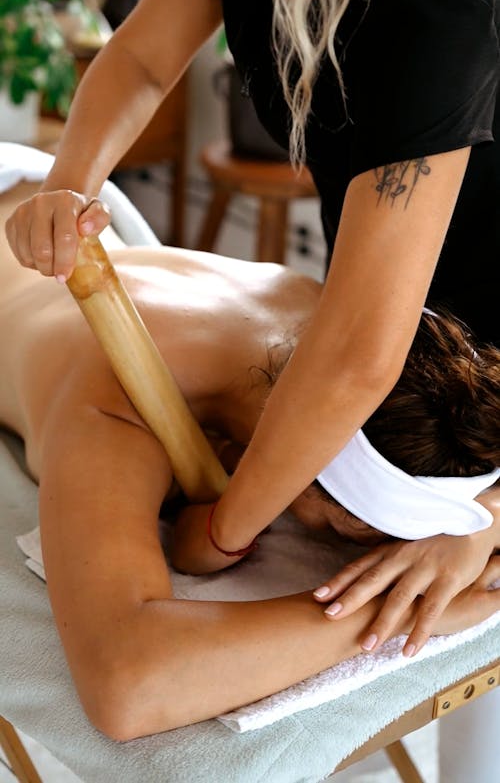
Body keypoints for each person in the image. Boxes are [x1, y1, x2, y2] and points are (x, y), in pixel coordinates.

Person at [5, 0, 500, 658]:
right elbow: (140, 58)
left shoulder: (443, 10)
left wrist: (483, 521)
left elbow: (359, 354)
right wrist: (70, 183)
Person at [1, 166, 500, 738]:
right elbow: (127, 686)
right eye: (358, 532)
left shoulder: (335, 329)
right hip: (31, 208)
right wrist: (384, 615)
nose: (395, 551)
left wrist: (479, 527)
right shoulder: (120, 403)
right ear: (302, 474)